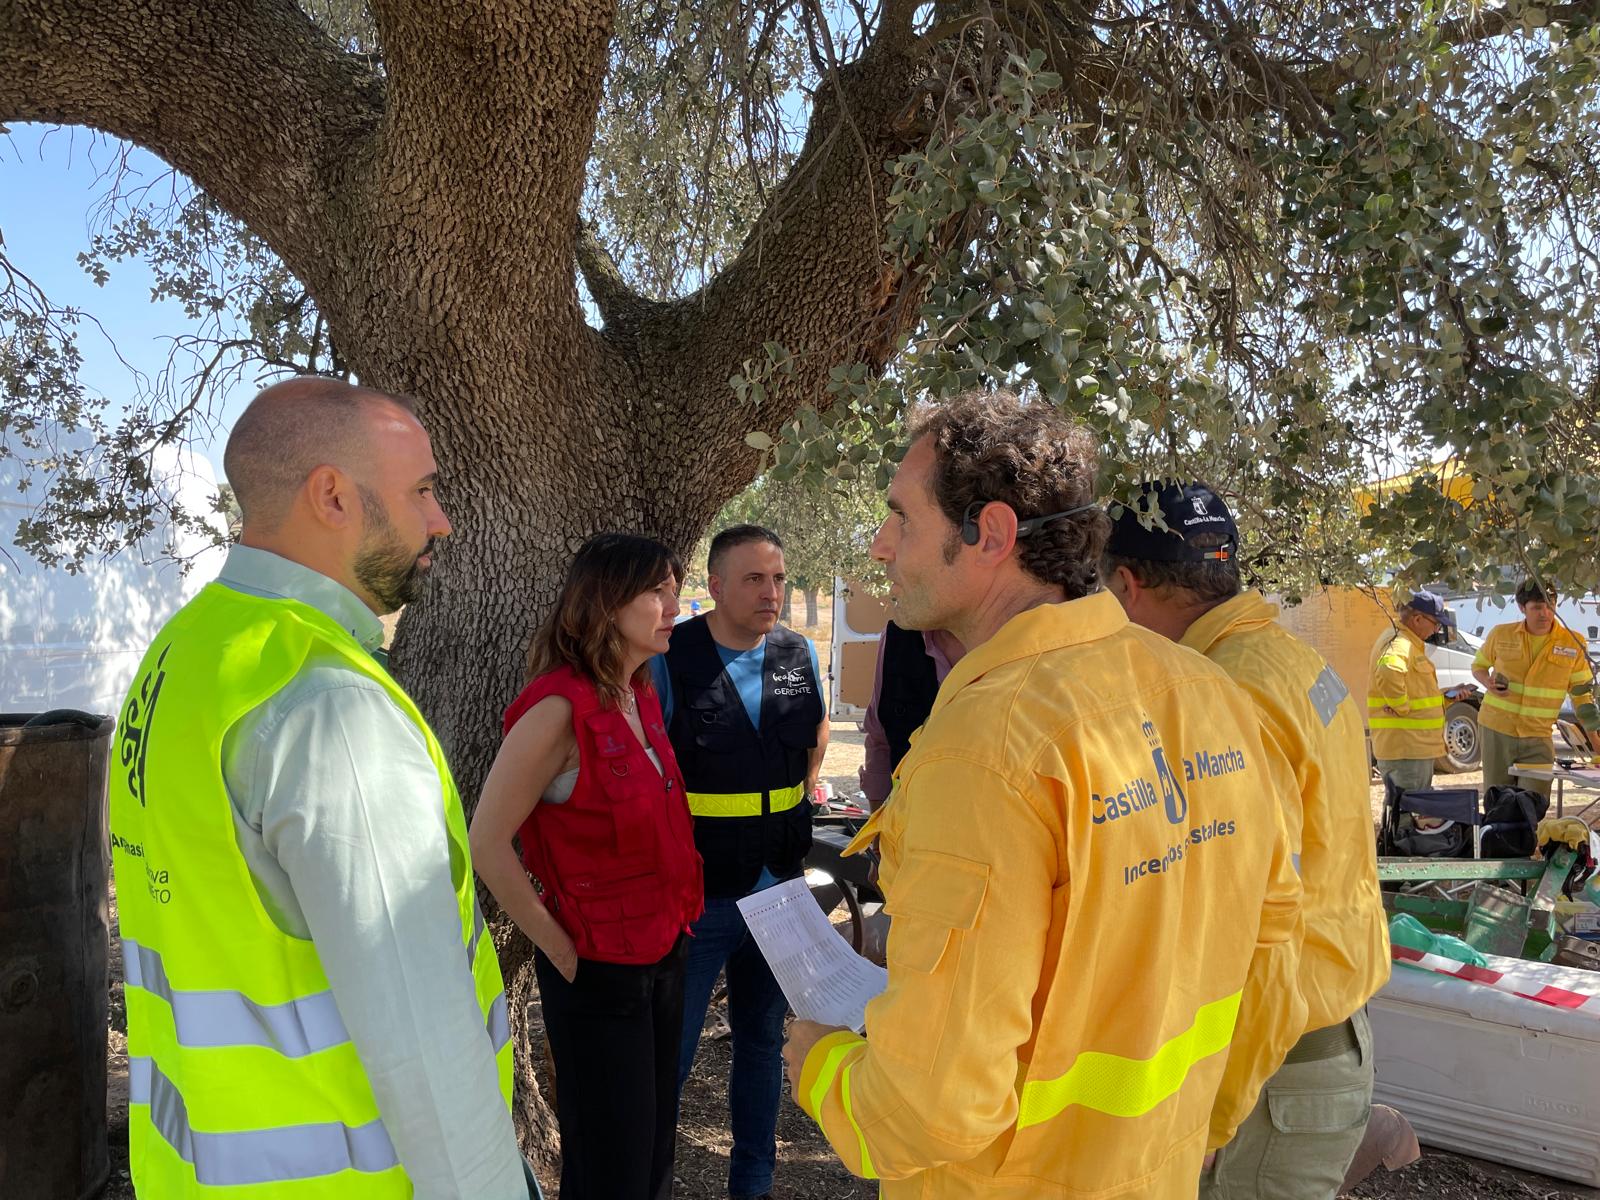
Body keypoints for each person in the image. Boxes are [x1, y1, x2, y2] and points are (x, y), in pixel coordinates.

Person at [781, 392, 1305, 1198]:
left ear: (988, 534)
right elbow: (1275, 950)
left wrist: (820, 1062)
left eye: (900, 517)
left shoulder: (988, 747)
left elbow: (930, 1111)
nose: (880, 546)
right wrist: (1205, 1124)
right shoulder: (1208, 691)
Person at [107, 379, 525, 1198]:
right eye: (422, 491)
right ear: (332, 496)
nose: (439, 519)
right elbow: (426, 1047)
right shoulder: (329, 706)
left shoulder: (185, 653)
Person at [1103, 480, 1390, 1200]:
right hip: (1319, 1043)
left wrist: (1216, 1109)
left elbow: (1264, 921)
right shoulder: (1294, 663)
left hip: (1271, 1071)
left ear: (1128, 585)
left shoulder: (1224, 691)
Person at [470, 533, 702, 1200]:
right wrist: (560, 951)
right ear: (604, 603)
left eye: (672, 588)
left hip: (663, 954)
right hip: (597, 970)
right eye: (654, 591)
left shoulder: (640, 693)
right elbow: (487, 841)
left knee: (653, 1150)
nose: (672, 605)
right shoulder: (555, 711)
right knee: (610, 1166)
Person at [651, 524, 829, 1200]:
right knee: (675, 1055)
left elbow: (811, 744)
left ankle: (752, 1185)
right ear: (716, 587)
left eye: (779, 578)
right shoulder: (675, 657)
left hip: (779, 887)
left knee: (762, 1046)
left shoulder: (796, 653)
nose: (772, 592)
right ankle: (651, 1184)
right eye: (755, 579)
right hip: (701, 896)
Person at [1473, 578, 1600, 794]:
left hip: (1539, 735)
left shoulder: (1573, 643)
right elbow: (1478, 666)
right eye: (1537, 608)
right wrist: (1488, 682)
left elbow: (1582, 696)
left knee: (1535, 801)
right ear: (1523, 608)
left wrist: (1595, 741)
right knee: (1498, 799)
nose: (1545, 614)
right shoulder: (1500, 634)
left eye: (1550, 607)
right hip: (1497, 729)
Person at [858, 622, 963, 809]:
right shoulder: (897, 637)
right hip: (911, 825)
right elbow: (880, 738)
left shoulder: (1019, 643)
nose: (894, 590)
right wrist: (878, 827)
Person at [1368, 590, 1457, 792]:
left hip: (1409, 748)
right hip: (1407, 748)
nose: (1436, 630)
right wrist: (1401, 707)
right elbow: (1388, 670)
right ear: (1417, 619)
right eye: (1435, 623)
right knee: (1409, 813)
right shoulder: (1400, 643)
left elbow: (1416, 691)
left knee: (1405, 811)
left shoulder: (1405, 641)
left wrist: (1445, 697)